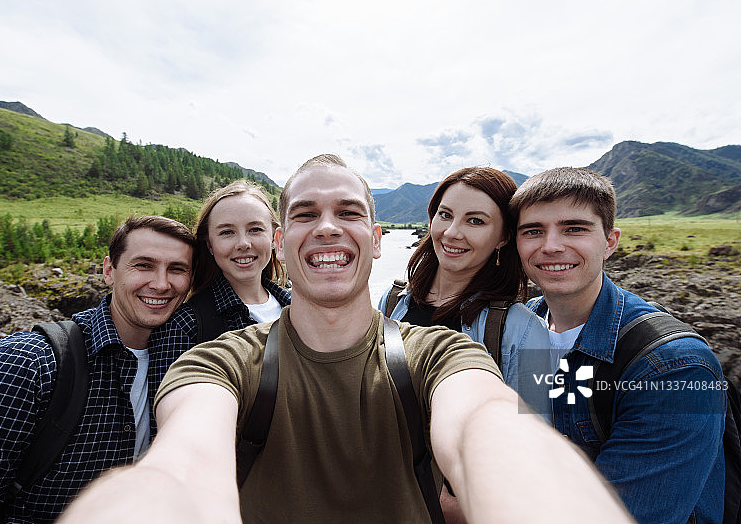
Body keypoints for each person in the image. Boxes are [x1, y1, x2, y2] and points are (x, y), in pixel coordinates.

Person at [59, 155, 633, 524]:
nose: (455, 233)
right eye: (307, 213)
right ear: (281, 243)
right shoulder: (223, 360)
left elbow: (503, 429)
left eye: (477, 221)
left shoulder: (481, 343)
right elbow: (183, 458)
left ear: (376, 239)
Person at [0, 215, 196, 522]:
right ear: (109, 271)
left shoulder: (182, 362)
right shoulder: (26, 364)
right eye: (143, 265)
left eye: (176, 269)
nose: (160, 283)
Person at [510, 166, 725, 523]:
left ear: (610, 241)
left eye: (574, 229)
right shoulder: (524, 326)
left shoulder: (676, 367)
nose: (551, 246)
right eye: (533, 231)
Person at [377, 166, 551, 401]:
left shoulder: (525, 331)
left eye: (475, 221)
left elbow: (534, 429)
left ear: (504, 237)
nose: (451, 232)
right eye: (445, 215)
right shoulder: (391, 301)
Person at [180, 179, 289, 342]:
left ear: (274, 238)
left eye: (255, 229)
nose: (243, 243)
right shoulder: (187, 325)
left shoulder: (299, 307)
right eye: (227, 232)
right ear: (210, 245)